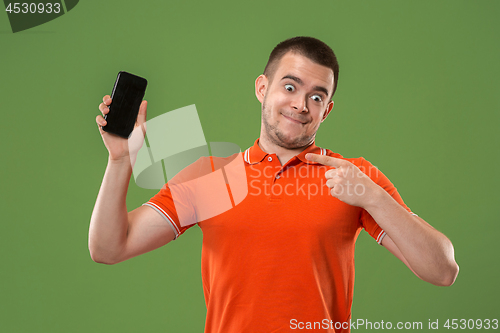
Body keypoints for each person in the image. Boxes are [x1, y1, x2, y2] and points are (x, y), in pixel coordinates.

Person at [90, 36, 459, 333]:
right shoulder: (210, 175)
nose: (301, 104)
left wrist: (374, 198)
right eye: (289, 86)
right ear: (262, 88)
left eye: (317, 96)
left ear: (326, 110)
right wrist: (120, 160)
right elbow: (109, 247)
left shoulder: (354, 177)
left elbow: (443, 270)